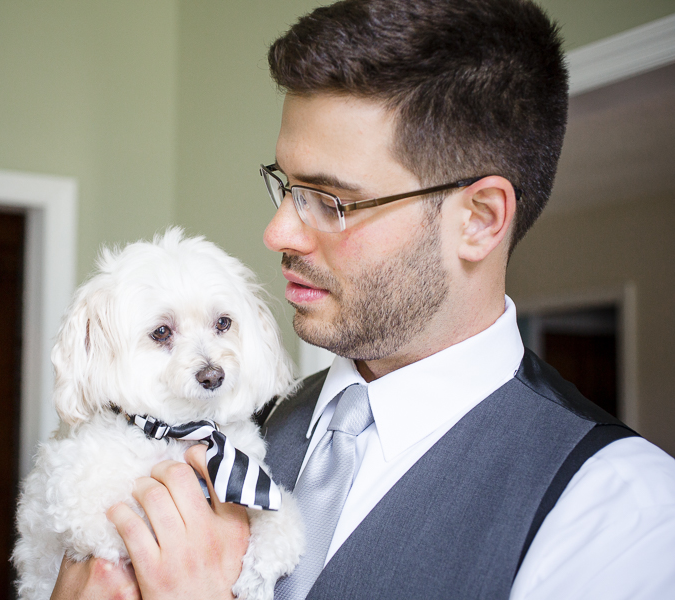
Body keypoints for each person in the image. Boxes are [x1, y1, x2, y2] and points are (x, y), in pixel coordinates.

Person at [53, 0, 675, 598]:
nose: (277, 233)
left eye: (333, 201)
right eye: (287, 186)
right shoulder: (236, 421)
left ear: (480, 220)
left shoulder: (619, 517)